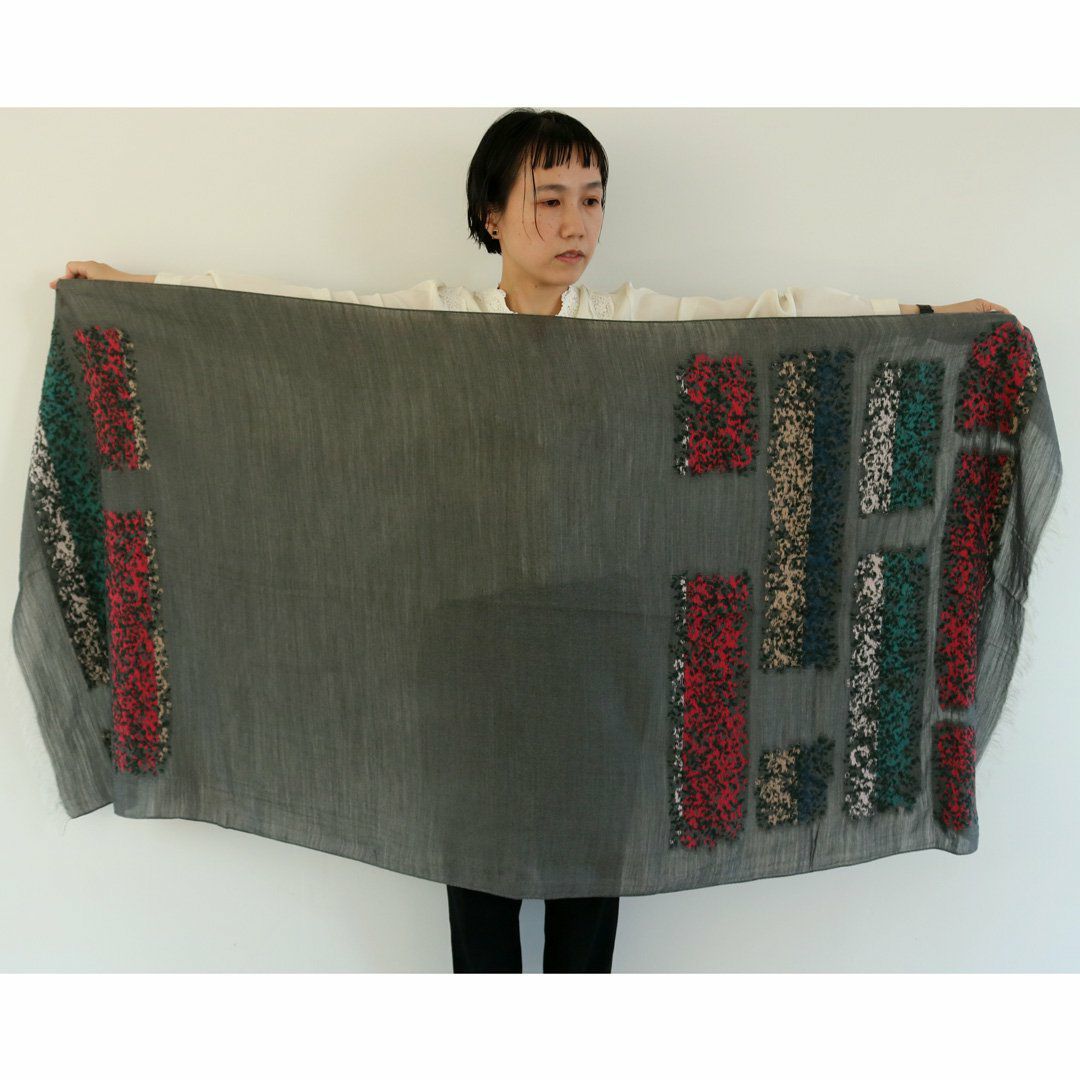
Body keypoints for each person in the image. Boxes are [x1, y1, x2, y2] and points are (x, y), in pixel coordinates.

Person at [49, 108, 1018, 974]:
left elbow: (782, 324)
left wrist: (935, 325)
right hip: (470, 647)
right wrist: (136, 296)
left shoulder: (636, 326)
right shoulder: (432, 323)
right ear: (492, 215)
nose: (574, 223)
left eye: (591, 200)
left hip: (606, 643)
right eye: (548, 199)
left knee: (588, 908)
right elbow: (269, 324)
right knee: (479, 909)